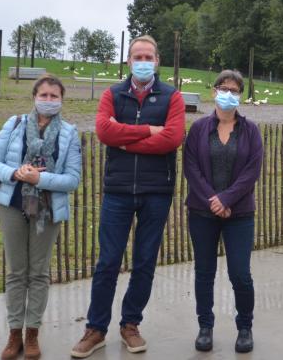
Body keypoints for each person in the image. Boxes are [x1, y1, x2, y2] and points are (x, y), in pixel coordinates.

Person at [71, 35, 185, 358]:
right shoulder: (113, 94)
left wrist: (125, 140)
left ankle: (130, 324)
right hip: (118, 191)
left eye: (149, 55)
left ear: (158, 61)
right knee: (108, 261)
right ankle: (95, 328)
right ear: (128, 61)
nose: (143, 61)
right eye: (138, 56)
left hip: (156, 192)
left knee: (145, 261)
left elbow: (172, 138)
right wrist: (148, 131)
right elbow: (104, 132)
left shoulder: (172, 97)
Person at [0, 74, 82, 360]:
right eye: (44, 95)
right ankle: (14, 333)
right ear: (34, 97)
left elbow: (72, 180)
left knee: (38, 273)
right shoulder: (14, 125)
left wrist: (40, 179)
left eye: (54, 96)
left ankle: (32, 333)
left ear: (61, 99)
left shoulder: (69, 133)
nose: (48, 100)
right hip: (13, 205)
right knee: (16, 272)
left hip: (47, 210)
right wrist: (15, 174)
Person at [183, 70, 263, 354]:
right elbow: (190, 168)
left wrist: (227, 199)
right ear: (214, 91)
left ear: (240, 94)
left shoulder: (251, 131)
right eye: (223, 88)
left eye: (234, 89)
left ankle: (245, 326)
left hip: (239, 215)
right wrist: (212, 200)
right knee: (204, 272)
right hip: (201, 213)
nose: (228, 93)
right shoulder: (198, 129)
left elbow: (252, 170)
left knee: (240, 273)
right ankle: (205, 326)